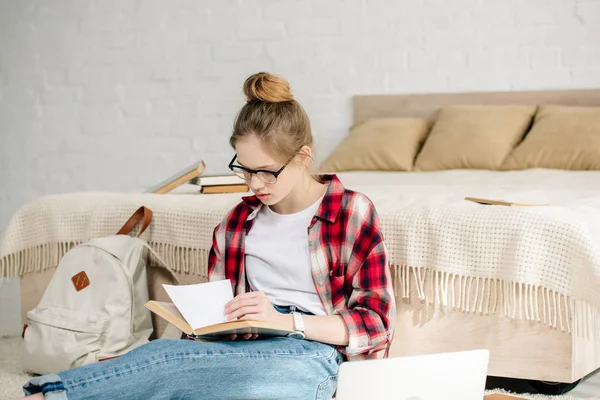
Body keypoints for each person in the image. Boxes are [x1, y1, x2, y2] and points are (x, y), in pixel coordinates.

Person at [18, 72, 396, 400]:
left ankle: (57, 393)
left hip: (310, 353)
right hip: (245, 347)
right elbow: (216, 320)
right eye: (243, 170)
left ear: (302, 157)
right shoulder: (237, 223)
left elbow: (376, 322)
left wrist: (286, 323)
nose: (253, 184)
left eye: (266, 171)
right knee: (162, 359)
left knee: (171, 367)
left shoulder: (351, 212)